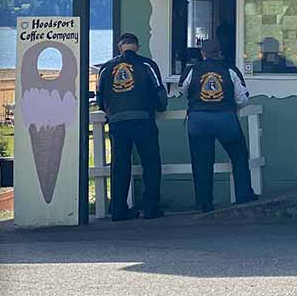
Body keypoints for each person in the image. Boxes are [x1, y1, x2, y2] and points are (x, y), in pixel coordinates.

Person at [180, 24, 258, 211]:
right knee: (239, 156)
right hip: (225, 118)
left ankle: (204, 203)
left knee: (202, 162)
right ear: (219, 52)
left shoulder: (192, 70)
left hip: (198, 120)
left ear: (202, 53)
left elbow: (183, 90)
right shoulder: (230, 70)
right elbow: (242, 98)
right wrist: (230, 107)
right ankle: (243, 195)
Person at [96, 32, 167, 220]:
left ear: (120, 47)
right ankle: (151, 208)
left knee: (119, 164)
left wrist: (111, 110)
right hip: (143, 119)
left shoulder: (106, 68)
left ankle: (118, 209)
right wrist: (159, 107)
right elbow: (160, 94)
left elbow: (100, 99)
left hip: (117, 121)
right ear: (137, 46)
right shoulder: (147, 65)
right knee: (151, 163)